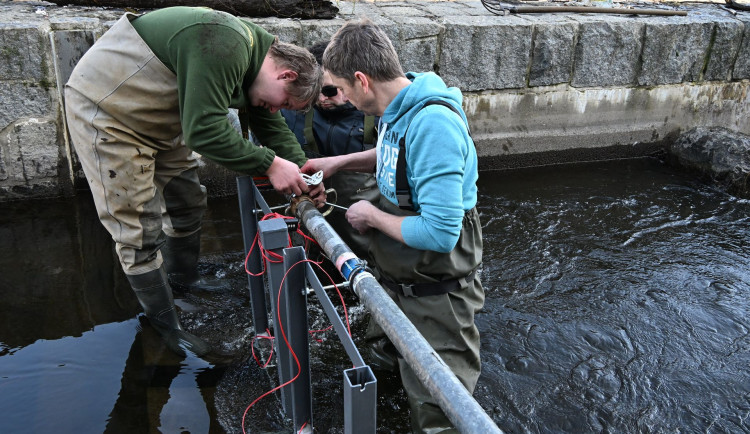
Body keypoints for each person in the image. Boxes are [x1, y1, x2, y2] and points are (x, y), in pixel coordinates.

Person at [64, 6, 324, 358]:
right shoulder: (225, 43)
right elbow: (203, 132)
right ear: (286, 75)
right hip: (111, 113)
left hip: (160, 115)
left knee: (187, 202)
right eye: (286, 103)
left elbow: (267, 122)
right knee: (138, 230)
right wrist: (269, 163)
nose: (278, 110)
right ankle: (167, 329)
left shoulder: (254, 58)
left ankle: (183, 283)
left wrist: (299, 169)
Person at [302, 18, 484, 433]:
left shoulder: (433, 124)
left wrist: (371, 216)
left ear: (361, 80)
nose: (340, 98)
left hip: (437, 293)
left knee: (439, 405)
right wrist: (341, 162)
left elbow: (441, 234)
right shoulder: (396, 106)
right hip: (395, 278)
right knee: (380, 361)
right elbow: (393, 156)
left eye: (341, 89)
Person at [280, 40, 380, 260]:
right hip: (311, 222)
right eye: (317, 90)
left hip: (363, 232)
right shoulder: (296, 111)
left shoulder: (377, 113)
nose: (322, 98)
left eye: (330, 90)